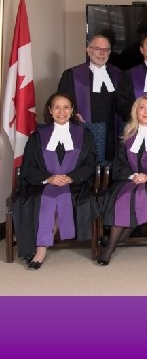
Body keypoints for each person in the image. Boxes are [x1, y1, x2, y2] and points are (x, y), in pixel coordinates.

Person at [12, 92, 97, 269]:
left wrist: (71, 177)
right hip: (43, 184)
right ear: (50, 110)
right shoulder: (38, 136)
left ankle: (40, 249)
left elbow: (90, 164)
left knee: (60, 196)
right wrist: (48, 178)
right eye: (57, 107)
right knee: (41, 198)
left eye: (66, 107)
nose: (62, 112)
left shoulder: (85, 134)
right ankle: (41, 247)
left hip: (74, 185)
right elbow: (28, 168)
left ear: (72, 110)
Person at [97, 95, 147, 265]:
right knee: (127, 193)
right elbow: (118, 165)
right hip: (129, 180)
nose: (146, 111)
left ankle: (111, 245)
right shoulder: (128, 136)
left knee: (139, 193)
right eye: (142, 107)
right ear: (136, 112)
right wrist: (133, 176)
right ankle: (116, 241)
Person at [57, 34, 121, 160]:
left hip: (111, 133)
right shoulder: (72, 75)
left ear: (109, 52)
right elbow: (60, 103)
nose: (102, 53)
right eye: (97, 49)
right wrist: (73, 114)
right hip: (82, 130)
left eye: (106, 50)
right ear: (88, 50)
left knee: (109, 164)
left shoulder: (118, 75)